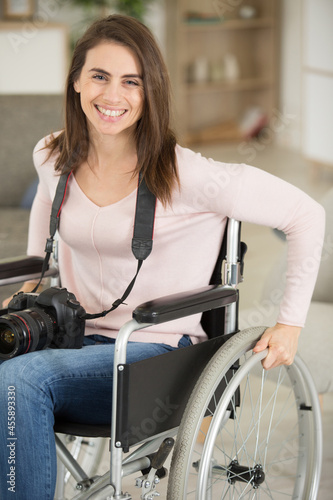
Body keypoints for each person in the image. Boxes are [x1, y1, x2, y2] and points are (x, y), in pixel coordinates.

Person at [0, 14, 325, 500]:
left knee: (19, 377)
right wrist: (29, 290)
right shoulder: (52, 155)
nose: (113, 96)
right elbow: (45, 219)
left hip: (155, 353)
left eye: (131, 82)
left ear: (149, 91)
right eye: (99, 76)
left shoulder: (189, 175)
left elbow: (307, 214)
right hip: (73, 341)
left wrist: (290, 323)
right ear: (75, 82)